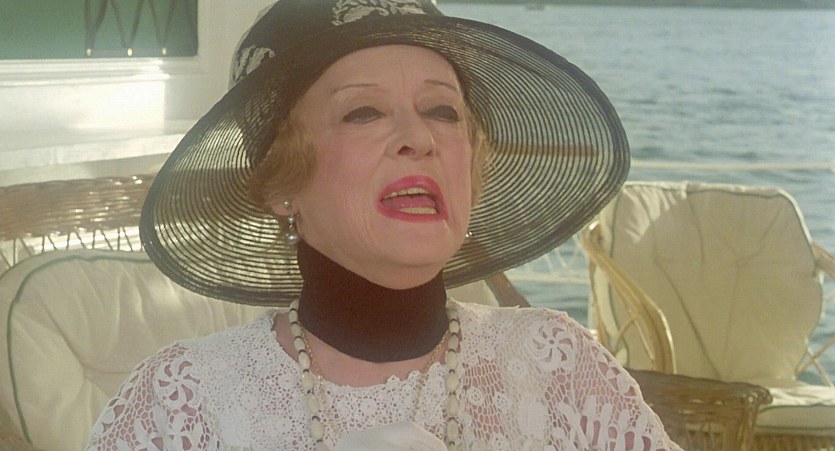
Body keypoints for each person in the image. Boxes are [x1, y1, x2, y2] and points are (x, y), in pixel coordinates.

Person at [86, 0, 681, 449]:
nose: (419, 138)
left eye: (442, 110)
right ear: (281, 179)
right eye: (364, 112)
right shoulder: (182, 403)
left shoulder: (559, 367)